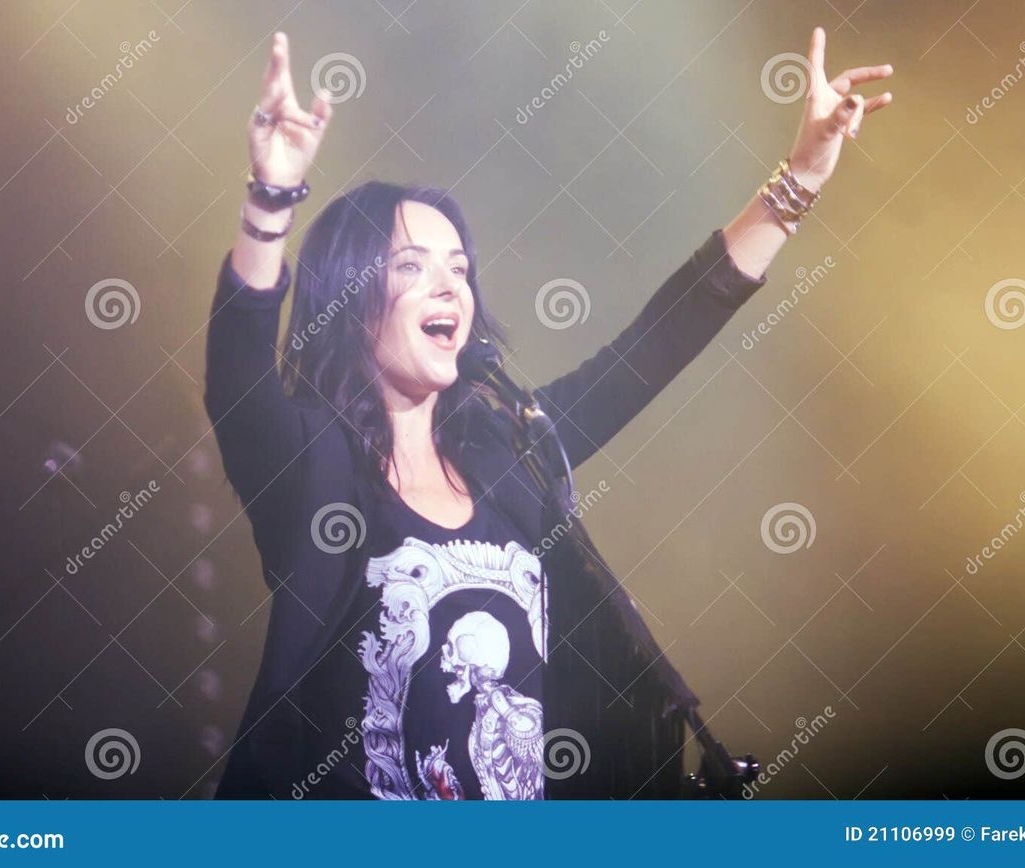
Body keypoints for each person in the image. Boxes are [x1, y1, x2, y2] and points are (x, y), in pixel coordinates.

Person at [205, 29, 892, 799]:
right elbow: (236, 375)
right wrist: (270, 200)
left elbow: (651, 349)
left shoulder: (509, 453)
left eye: (459, 268)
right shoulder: (312, 467)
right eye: (412, 266)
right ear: (350, 299)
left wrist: (798, 181)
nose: (450, 287)